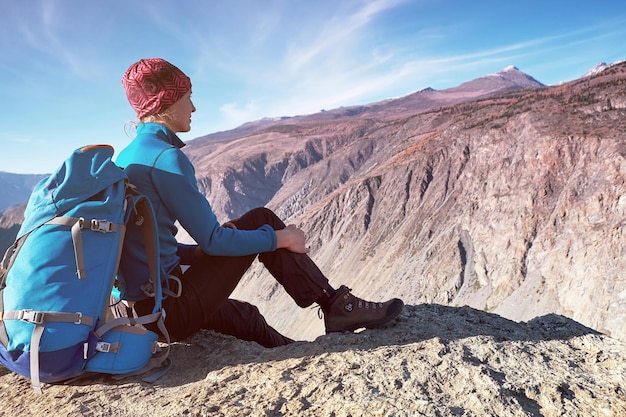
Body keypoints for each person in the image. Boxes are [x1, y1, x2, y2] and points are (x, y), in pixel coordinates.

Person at [116, 57, 404, 348]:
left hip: (142, 313)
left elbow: (142, 245)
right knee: (261, 220)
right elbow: (215, 240)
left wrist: (196, 254)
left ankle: (300, 353)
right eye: (187, 98)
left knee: (246, 317)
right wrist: (281, 238)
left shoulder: (127, 158)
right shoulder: (165, 158)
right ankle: (335, 305)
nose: (193, 108)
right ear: (166, 101)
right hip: (170, 310)